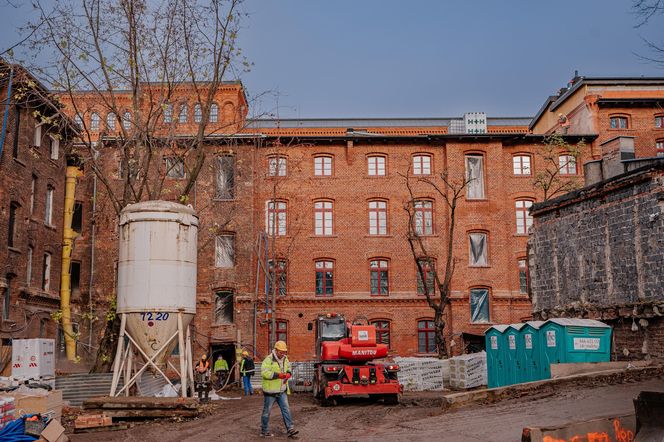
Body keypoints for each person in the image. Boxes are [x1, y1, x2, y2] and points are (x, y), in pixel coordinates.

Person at [260, 341, 298, 438]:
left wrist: (289, 373)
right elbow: (264, 373)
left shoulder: (285, 359)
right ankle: (264, 431)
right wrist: (278, 375)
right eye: (281, 352)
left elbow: (289, 367)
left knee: (286, 410)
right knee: (267, 412)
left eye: (284, 352)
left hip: (281, 390)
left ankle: (290, 429)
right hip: (270, 392)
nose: (283, 354)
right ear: (276, 350)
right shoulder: (268, 359)